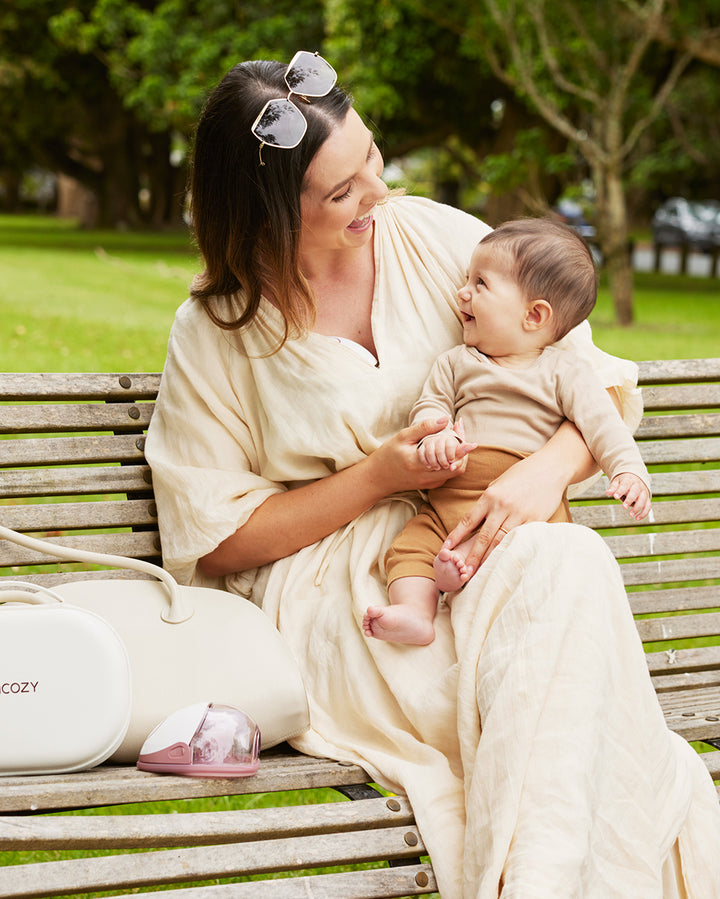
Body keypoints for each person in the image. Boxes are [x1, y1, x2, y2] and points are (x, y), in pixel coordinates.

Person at [145, 50, 720, 898]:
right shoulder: (218, 330)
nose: (375, 192)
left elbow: (589, 379)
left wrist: (544, 474)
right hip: (355, 596)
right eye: (341, 193)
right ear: (267, 211)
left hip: (496, 539)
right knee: (562, 694)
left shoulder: (437, 236)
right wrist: (380, 475)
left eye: (371, 158)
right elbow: (216, 538)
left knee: (570, 565)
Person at [364, 218, 652, 645]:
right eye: (466, 279)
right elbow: (431, 406)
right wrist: (436, 437)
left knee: (539, 552)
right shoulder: (456, 363)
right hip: (447, 505)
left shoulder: (564, 371)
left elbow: (603, 427)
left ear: (534, 315)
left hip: (530, 505)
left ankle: (464, 571)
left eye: (480, 283)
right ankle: (416, 610)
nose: (462, 292)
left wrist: (629, 471)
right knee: (409, 549)